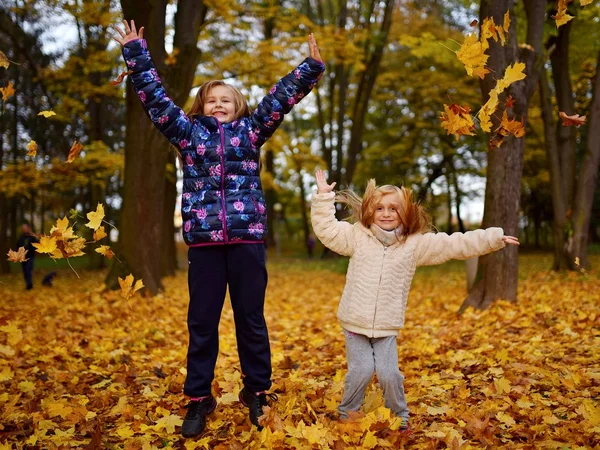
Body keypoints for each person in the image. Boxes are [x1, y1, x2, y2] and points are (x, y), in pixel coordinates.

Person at [113, 20, 325, 438]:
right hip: (205, 245)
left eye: (226, 100)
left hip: (246, 242)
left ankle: (258, 393)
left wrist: (310, 69)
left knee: (251, 319)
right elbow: (156, 102)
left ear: (238, 105)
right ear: (200, 107)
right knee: (202, 322)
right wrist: (137, 53)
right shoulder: (188, 136)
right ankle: (198, 399)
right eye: (211, 100)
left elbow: (279, 100)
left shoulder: (252, 131)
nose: (219, 105)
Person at [311, 169, 519, 430]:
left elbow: (454, 244)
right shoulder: (357, 237)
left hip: (387, 326)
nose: (386, 214)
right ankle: (347, 413)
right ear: (370, 212)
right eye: (380, 209)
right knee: (361, 371)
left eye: (393, 209)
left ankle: (399, 416)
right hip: (355, 322)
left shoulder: (415, 245)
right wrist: (322, 198)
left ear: (404, 212)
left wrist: (492, 239)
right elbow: (327, 230)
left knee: (389, 374)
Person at [17, 222, 37, 290]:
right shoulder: (21, 237)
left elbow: (35, 246)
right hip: (22, 257)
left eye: (25, 228)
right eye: (23, 228)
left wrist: (29, 250)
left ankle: (29, 285)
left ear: (28, 228)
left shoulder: (32, 237)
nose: (24, 229)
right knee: (25, 271)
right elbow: (18, 245)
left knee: (28, 270)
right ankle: (28, 284)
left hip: (30, 256)